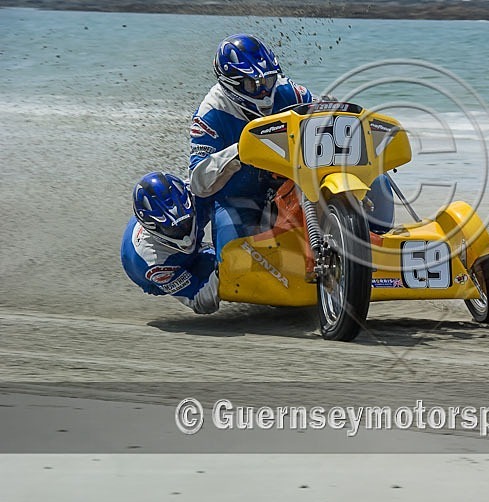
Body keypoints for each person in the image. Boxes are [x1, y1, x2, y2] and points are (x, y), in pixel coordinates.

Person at [188, 33, 394, 264]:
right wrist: (239, 152)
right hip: (241, 199)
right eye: (253, 84)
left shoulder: (288, 90)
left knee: (377, 179)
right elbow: (198, 182)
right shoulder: (210, 115)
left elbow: (319, 112)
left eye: (268, 80)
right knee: (233, 262)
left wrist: (334, 113)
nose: (265, 90)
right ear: (230, 85)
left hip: (292, 184)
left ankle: (377, 243)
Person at [120, 171, 220, 314]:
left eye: (186, 222)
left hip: (166, 244)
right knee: (212, 265)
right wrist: (223, 271)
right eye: (173, 229)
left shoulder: (194, 195)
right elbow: (201, 302)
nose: (184, 235)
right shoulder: (155, 265)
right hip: (157, 269)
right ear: (153, 228)